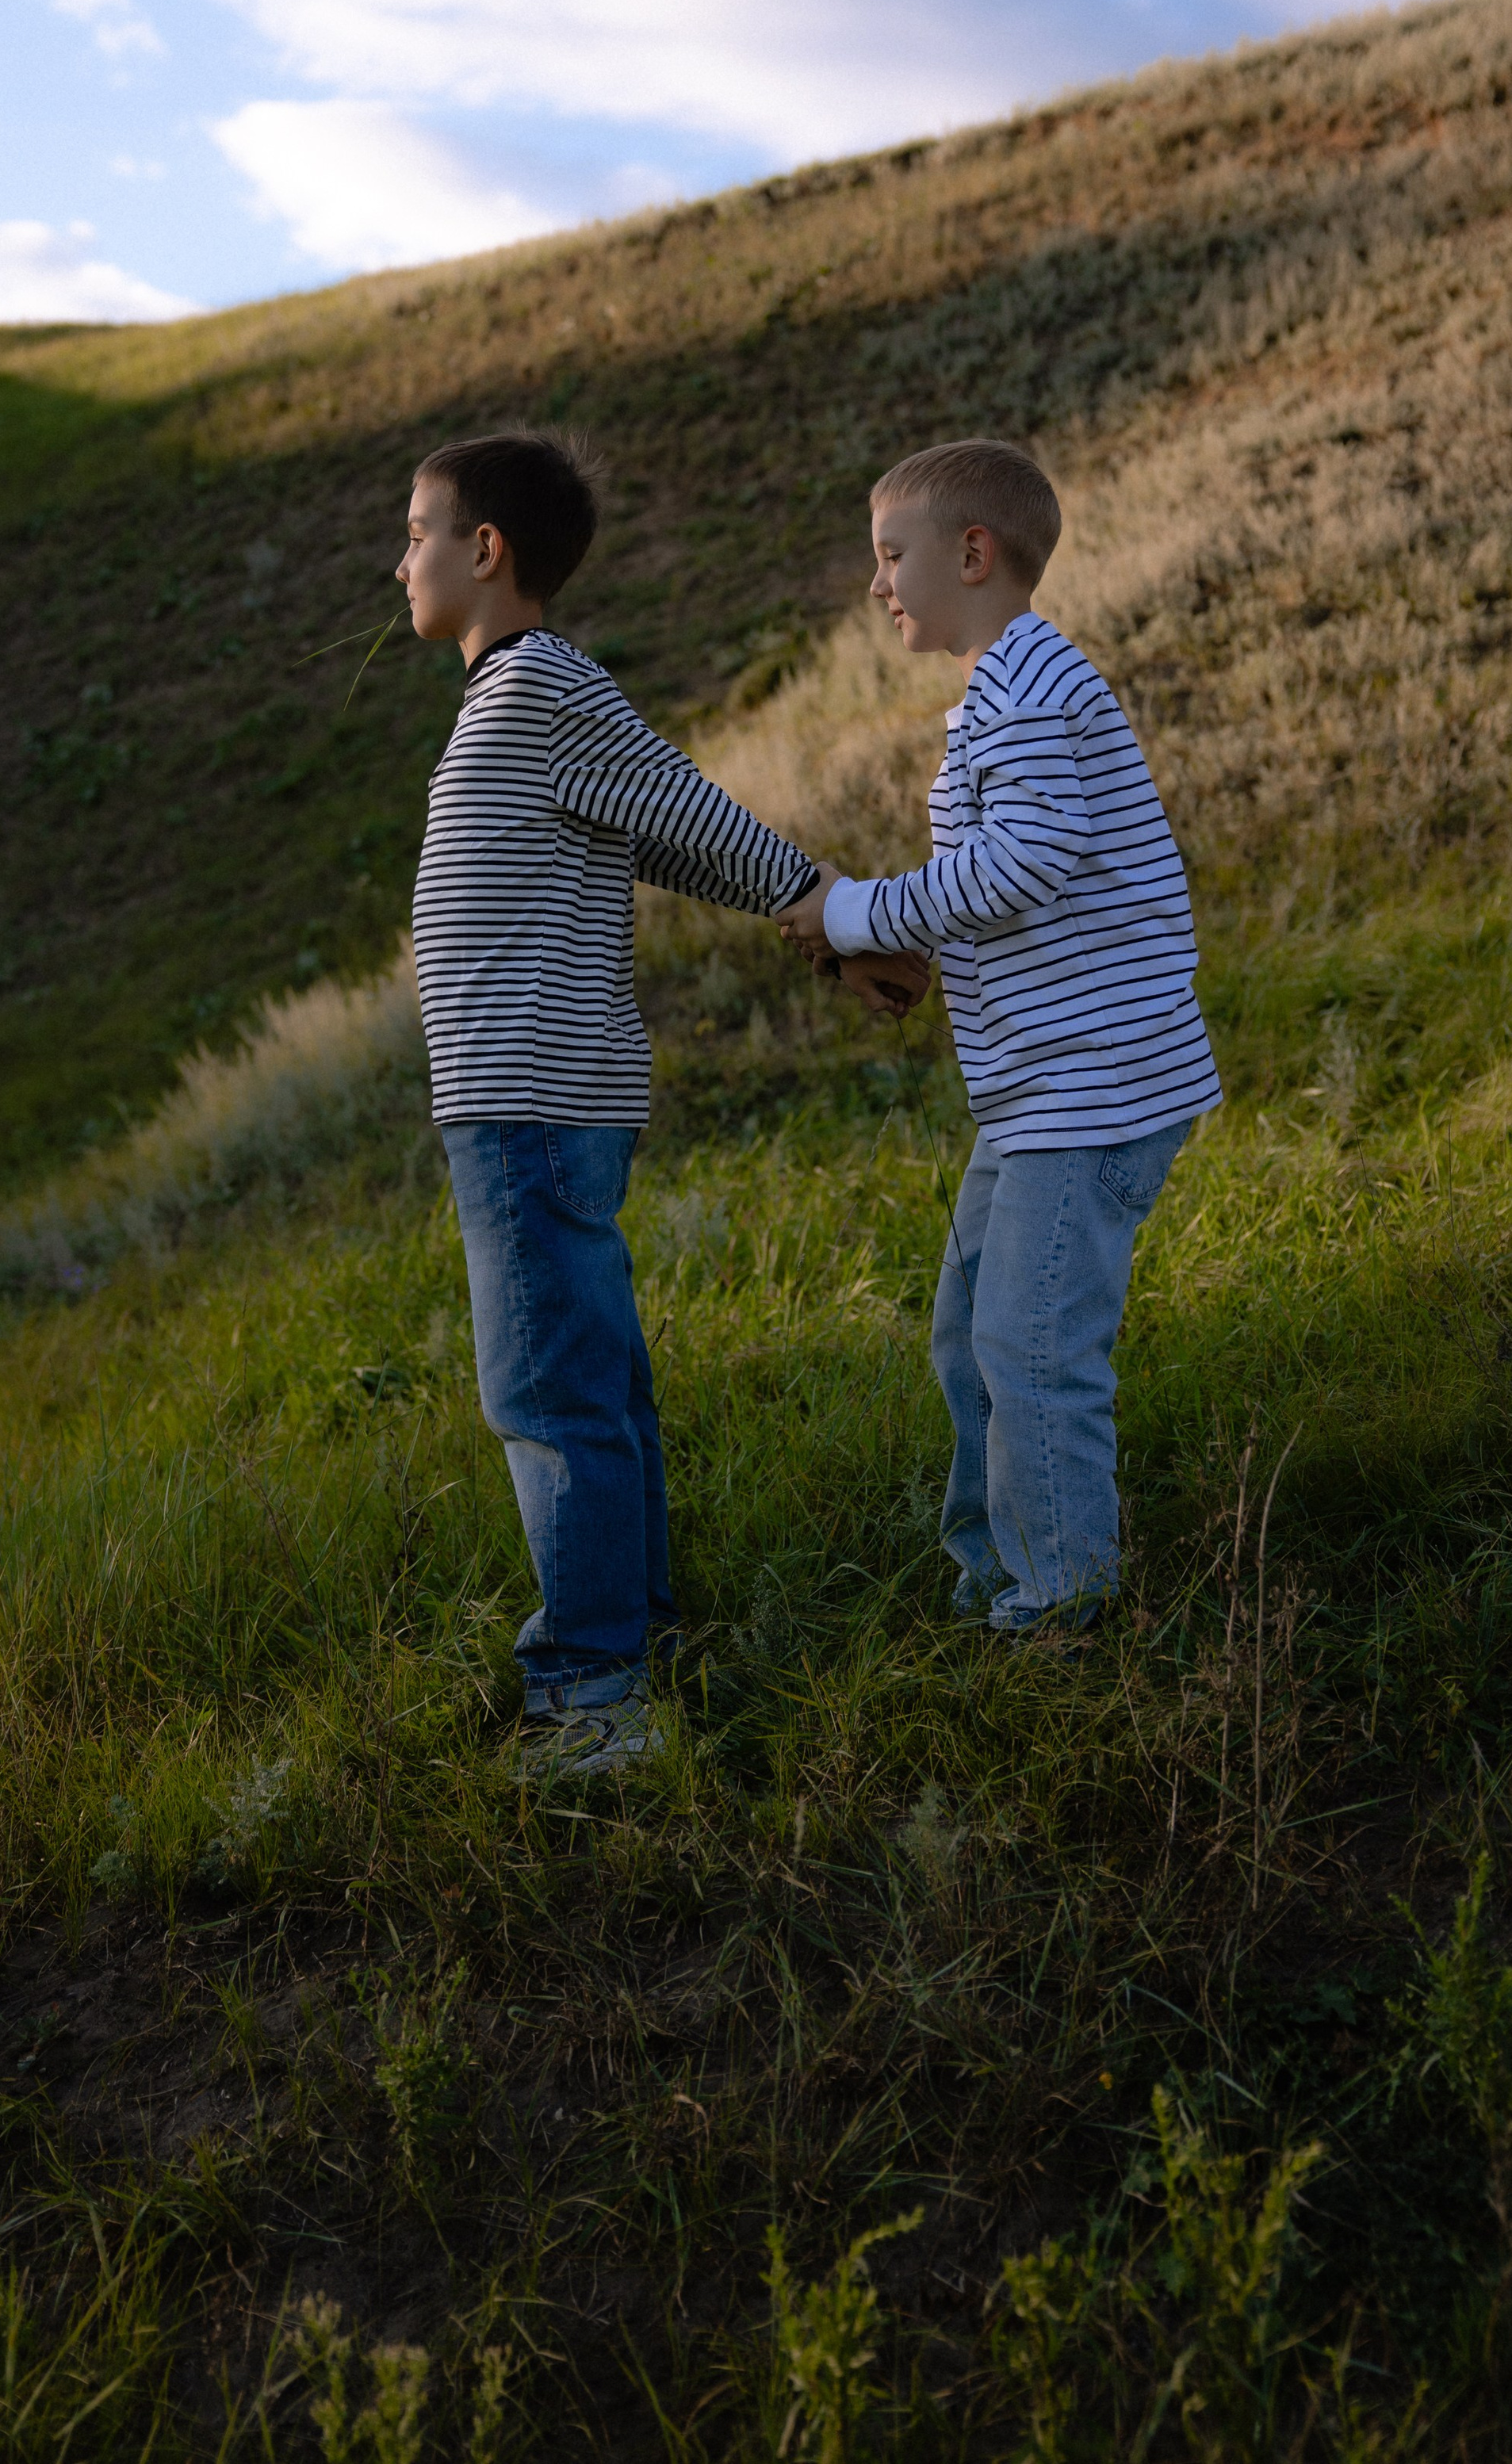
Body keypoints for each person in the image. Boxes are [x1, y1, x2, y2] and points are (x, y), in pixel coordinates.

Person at [400, 427, 928, 1771]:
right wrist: (809, 911)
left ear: (484, 549)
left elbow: (681, 809)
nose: (397, 559)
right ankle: (634, 1638)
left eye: (415, 534)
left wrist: (820, 905)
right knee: (594, 1388)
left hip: (528, 1109)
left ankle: (593, 1699)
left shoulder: (538, 691)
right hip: (524, 1104)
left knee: (550, 1396)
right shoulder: (515, 702)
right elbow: (655, 826)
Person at [777, 440, 1220, 1635]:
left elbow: (1023, 864)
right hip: (1045, 1091)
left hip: (1093, 1091)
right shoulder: (1010, 686)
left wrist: (860, 909)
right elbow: (1021, 879)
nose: (879, 585)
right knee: (972, 1331)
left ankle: (1062, 1607)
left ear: (972, 553)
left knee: (1029, 1349)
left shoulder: (1024, 690)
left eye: (890, 557)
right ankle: (995, 1567)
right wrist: (935, 946)